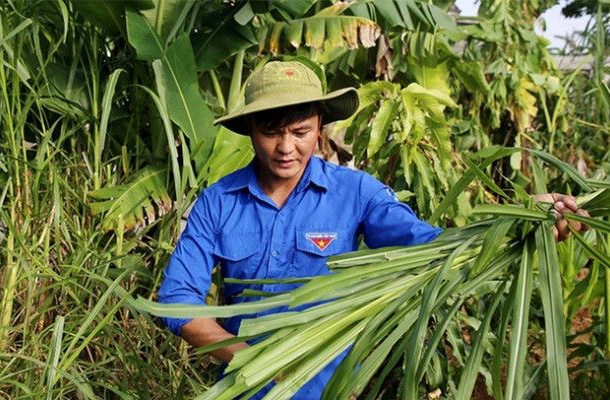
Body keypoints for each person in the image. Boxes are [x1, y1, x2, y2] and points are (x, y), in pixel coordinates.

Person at [157, 61, 588, 399]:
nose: (286, 148)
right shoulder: (218, 202)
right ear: (249, 129)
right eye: (271, 133)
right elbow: (178, 301)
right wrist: (254, 360)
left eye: (300, 132)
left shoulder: (357, 192)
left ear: (320, 122)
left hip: (336, 388)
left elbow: (434, 246)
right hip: (244, 388)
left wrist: (516, 223)